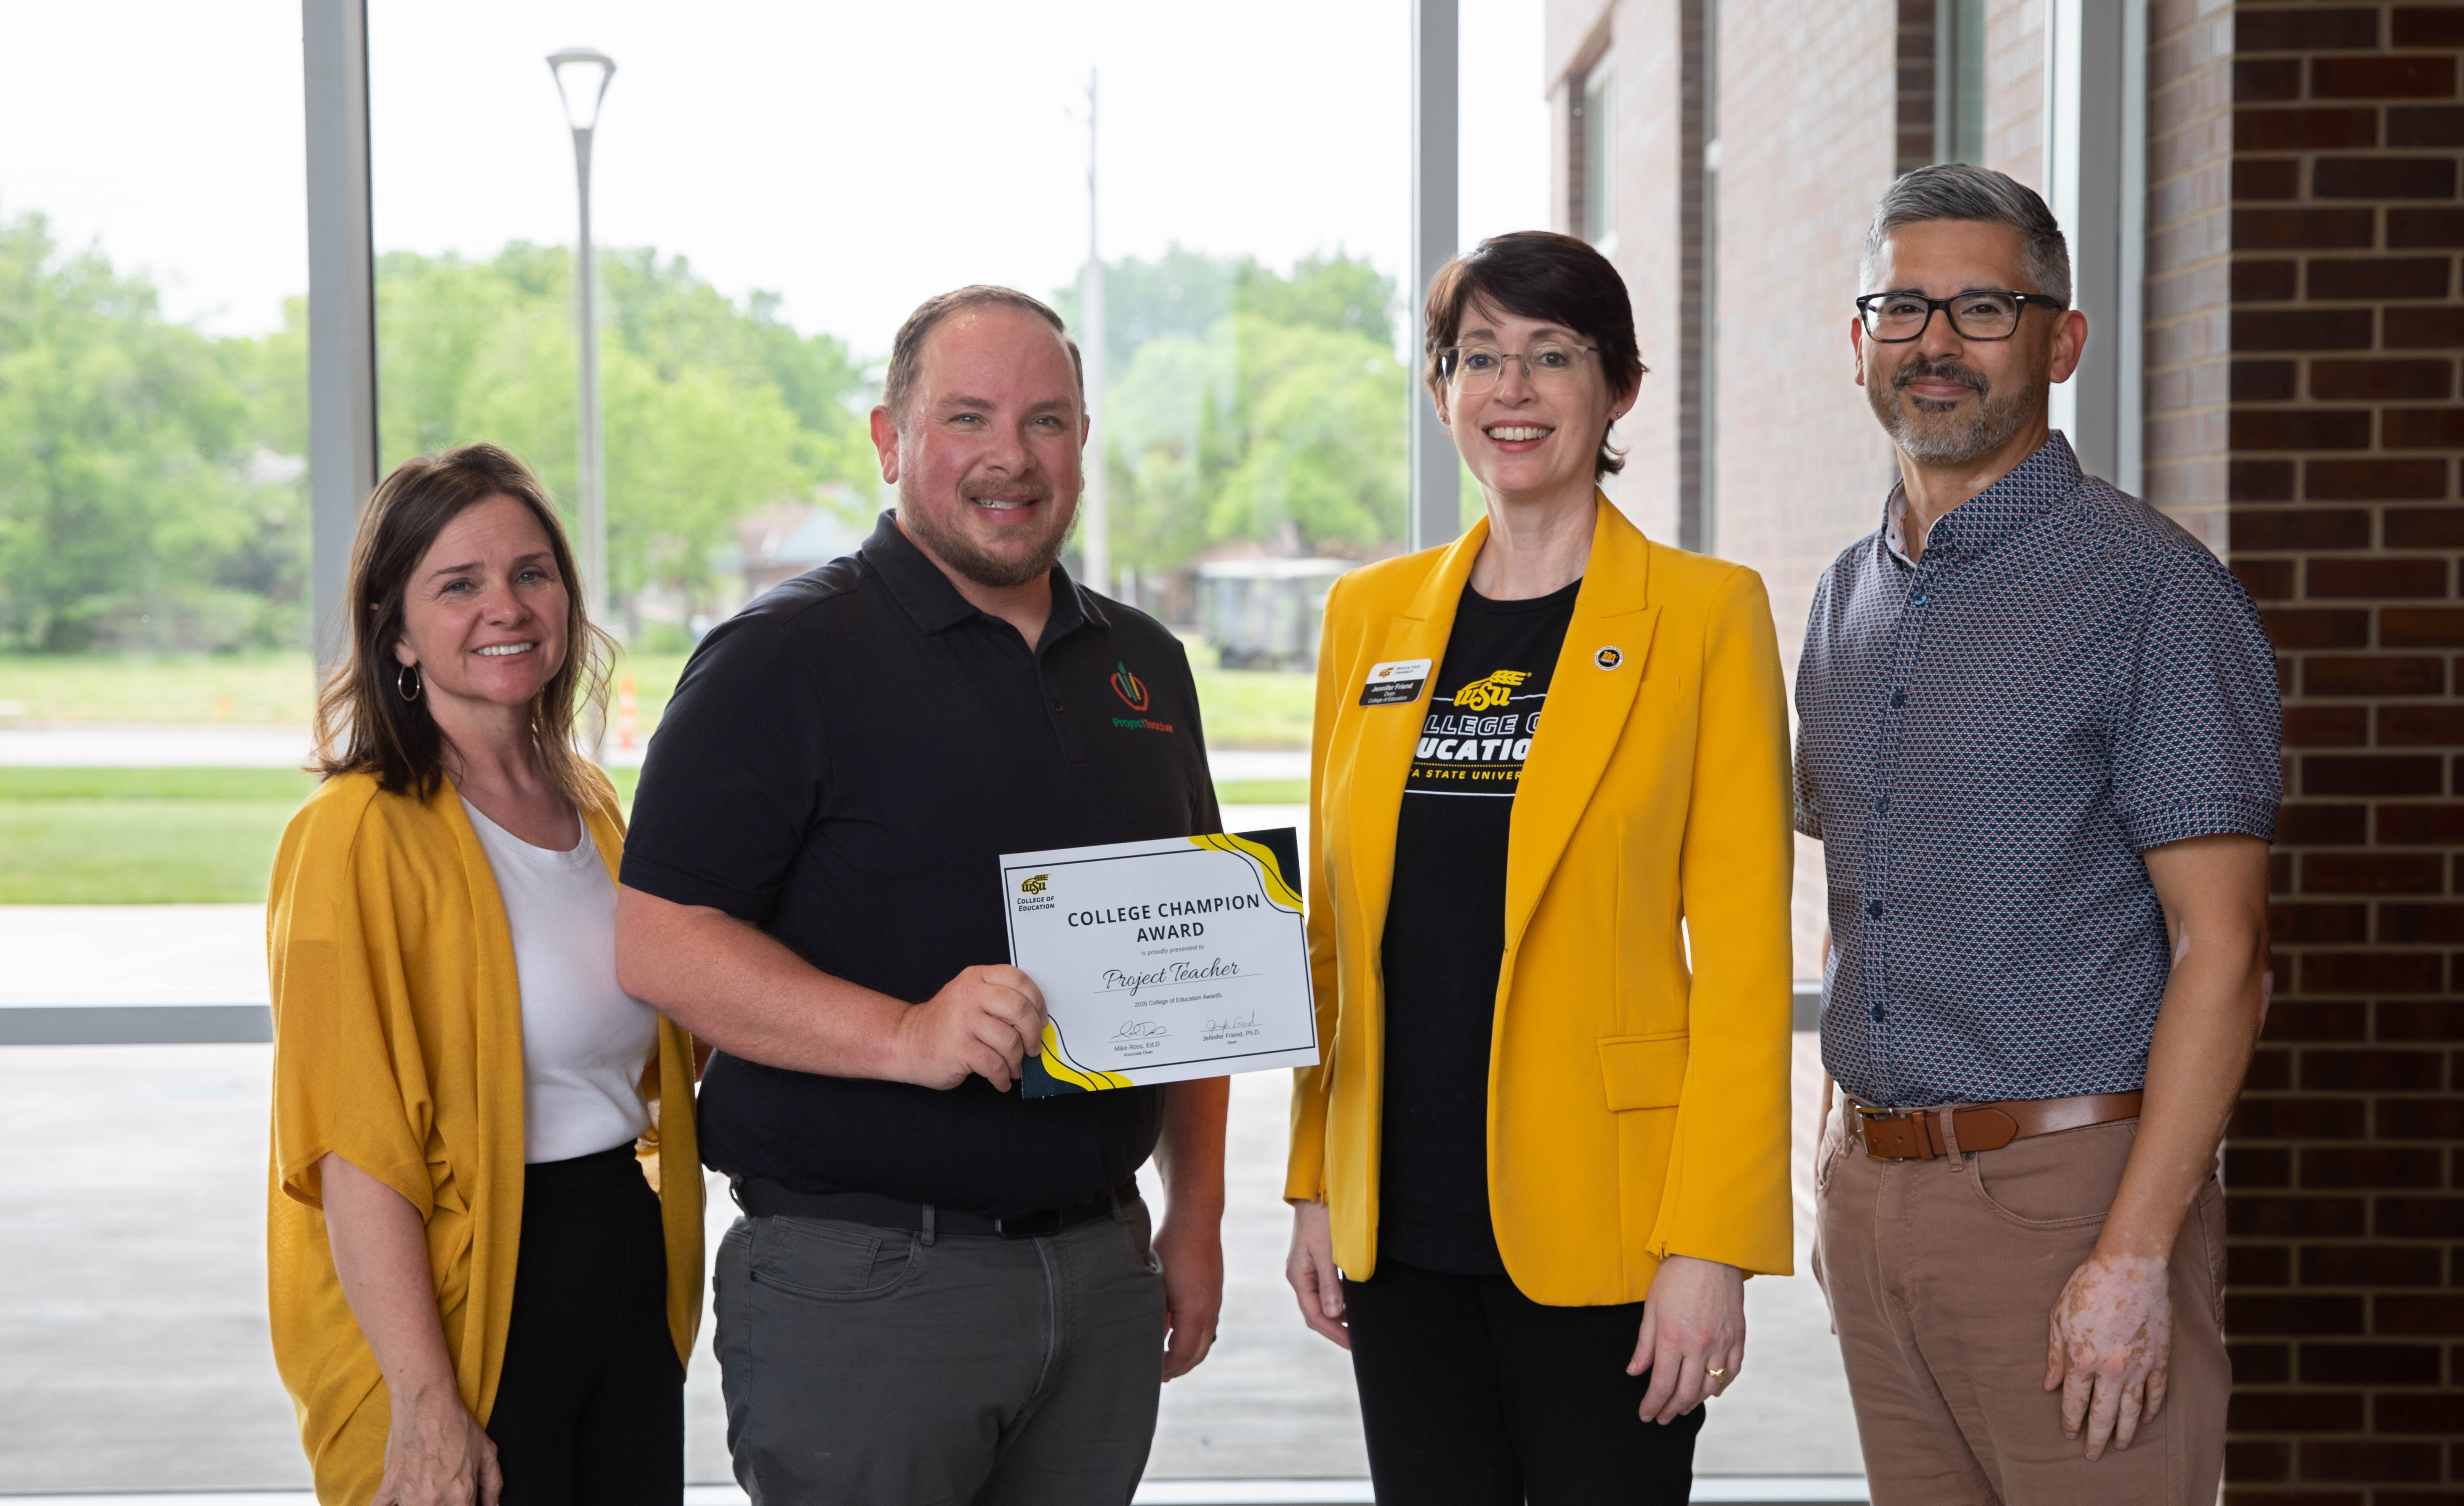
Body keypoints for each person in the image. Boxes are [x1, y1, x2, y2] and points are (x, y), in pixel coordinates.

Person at [613, 285, 1229, 1506]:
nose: (1010, 456)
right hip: (864, 1279)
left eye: (1045, 421)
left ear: (1083, 444)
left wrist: (1193, 1216)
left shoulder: (1143, 667)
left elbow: (1196, 963)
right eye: (967, 418)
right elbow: (658, 943)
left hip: (1099, 1270)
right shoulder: (778, 659)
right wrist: (905, 1035)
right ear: (890, 440)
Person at [1281, 230, 1796, 1503]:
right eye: (1478, 358)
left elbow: (1743, 963)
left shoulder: (1702, 616)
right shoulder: (1369, 617)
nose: (1509, 390)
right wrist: (1310, 1183)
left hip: (1612, 1236)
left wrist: (1710, 1247)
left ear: (1616, 387)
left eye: (1550, 356)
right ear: (1440, 388)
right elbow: (1330, 943)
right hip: (1395, 1229)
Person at [1798, 163, 2278, 1504]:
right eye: (1900, 308)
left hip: (2069, 1201)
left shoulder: (2149, 593)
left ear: (2058, 342)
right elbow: (1866, 898)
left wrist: (2130, 1255)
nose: (1932, 344)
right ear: (1856, 345)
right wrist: (1835, 1149)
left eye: (1980, 309)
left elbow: (2222, 951)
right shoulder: (1844, 597)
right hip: (1874, 1195)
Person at [266, 442, 704, 1506]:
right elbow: (353, 1148)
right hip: (469, 1293)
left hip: (621, 1260)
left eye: (530, 573)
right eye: (457, 584)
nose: (505, 606)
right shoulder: (353, 833)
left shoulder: (592, 805)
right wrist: (424, 1397)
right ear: (398, 631)